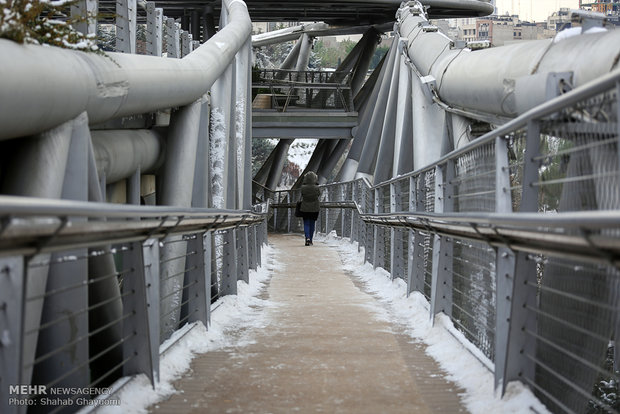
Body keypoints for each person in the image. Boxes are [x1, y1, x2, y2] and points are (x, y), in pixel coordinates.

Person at [300, 171, 320, 246]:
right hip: (314, 208)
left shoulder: (303, 187)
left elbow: (302, 195)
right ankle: (311, 240)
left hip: (305, 207)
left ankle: (307, 238)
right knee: (312, 224)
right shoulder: (316, 187)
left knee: (306, 223)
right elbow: (318, 194)